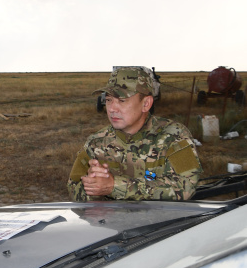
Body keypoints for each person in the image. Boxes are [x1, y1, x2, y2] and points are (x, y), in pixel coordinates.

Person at [67, 66, 202, 201]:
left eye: (122, 100)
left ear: (146, 103)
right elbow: (73, 186)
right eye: (108, 100)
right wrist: (92, 188)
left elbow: (186, 186)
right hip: (112, 220)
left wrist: (115, 186)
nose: (112, 108)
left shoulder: (173, 136)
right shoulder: (96, 142)